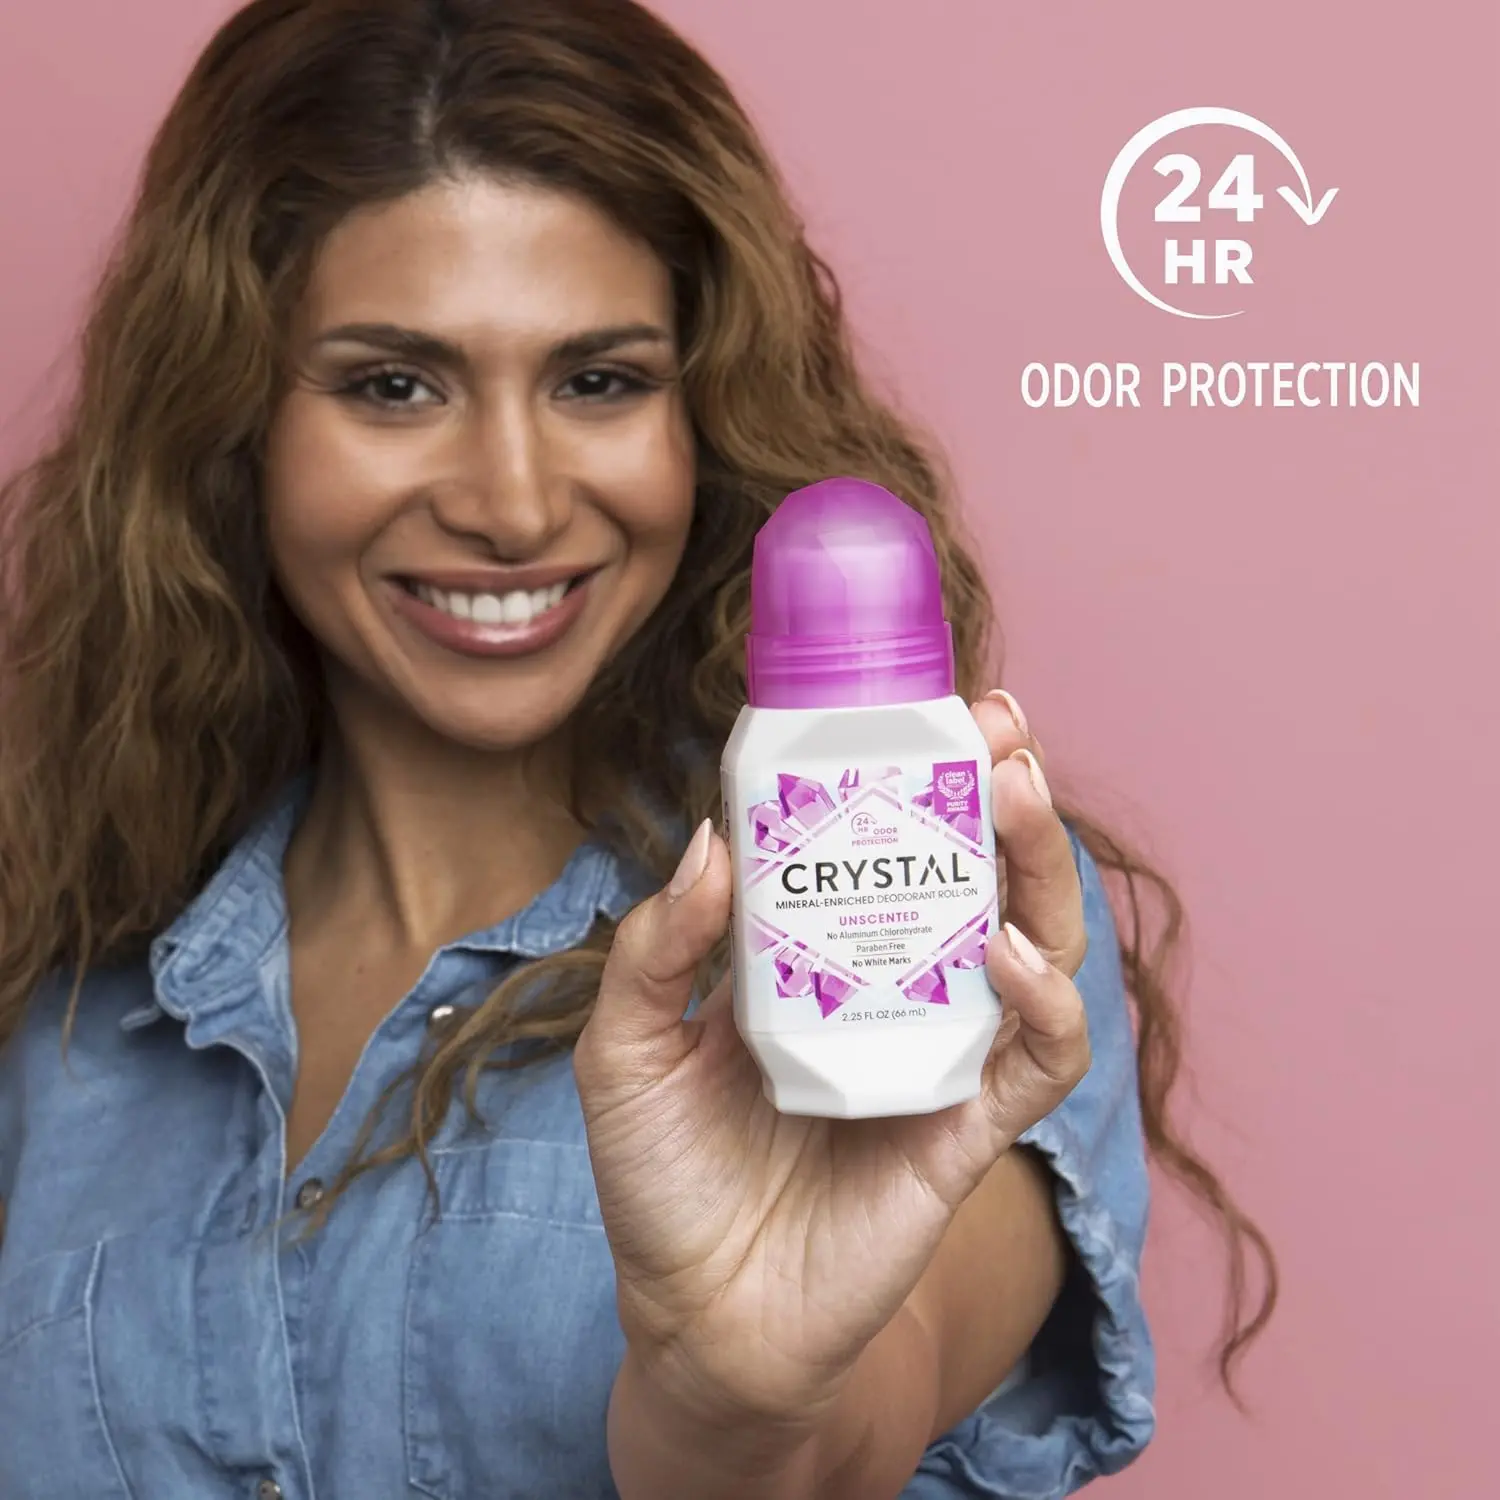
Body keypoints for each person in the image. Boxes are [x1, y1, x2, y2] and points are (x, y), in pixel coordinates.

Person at [0, 2, 1274, 1496]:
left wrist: (744, 1397)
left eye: (598, 380)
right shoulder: (63, 995)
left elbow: (836, 1438)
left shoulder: (902, 919)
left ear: (703, 414)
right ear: (232, 417)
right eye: (394, 385)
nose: (515, 504)